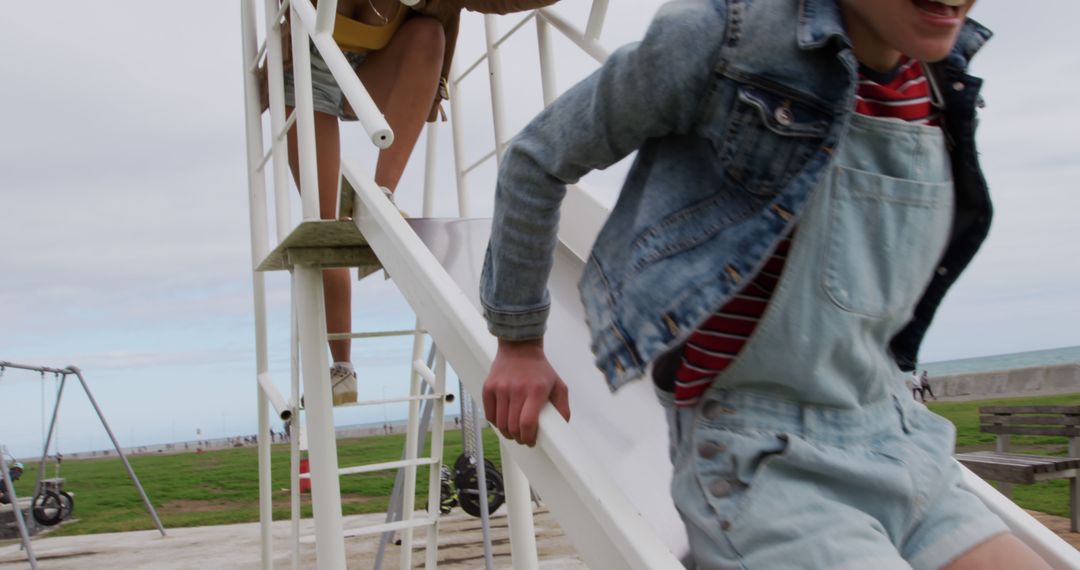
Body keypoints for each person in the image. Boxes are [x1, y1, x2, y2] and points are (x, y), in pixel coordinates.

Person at [479, 0, 1051, 567]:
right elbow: (539, 157)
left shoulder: (936, 80)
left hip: (894, 428)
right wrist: (518, 339)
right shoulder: (724, 37)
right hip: (763, 457)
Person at [266, 0, 557, 406]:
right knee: (324, 224)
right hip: (306, 71)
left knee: (428, 33)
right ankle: (342, 367)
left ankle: (379, 199)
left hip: (372, 72)